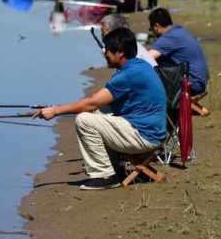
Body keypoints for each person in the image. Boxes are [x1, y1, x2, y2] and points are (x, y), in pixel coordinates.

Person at [33, 27, 167, 190]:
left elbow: (91, 102)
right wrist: (56, 108)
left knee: (84, 120)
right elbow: (95, 103)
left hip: (145, 136)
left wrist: (55, 111)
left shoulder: (129, 74)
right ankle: (112, 168)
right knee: (93, 113)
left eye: (108, 50)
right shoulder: (138, 65)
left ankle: (105, 175)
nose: (104, 54)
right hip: (151, 131)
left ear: (120, 53)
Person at [148, 7, 209, 95]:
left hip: (192, 85)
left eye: (151, 29)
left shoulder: (168, 38)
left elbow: (147, 59)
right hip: (200, 81)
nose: (152, 32)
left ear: (157, 26)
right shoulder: (179, 30)